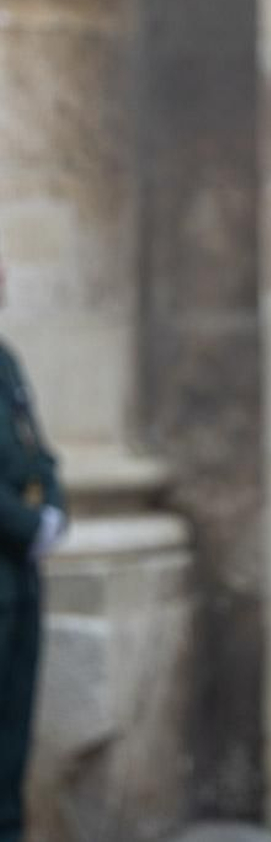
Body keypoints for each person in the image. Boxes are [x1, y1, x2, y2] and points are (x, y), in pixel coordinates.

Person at [0, 247, 67, 842]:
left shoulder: (6, 363)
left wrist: (54, 511)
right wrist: (27, 524)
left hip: (19, 579)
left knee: (13, 734)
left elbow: (38, 454)